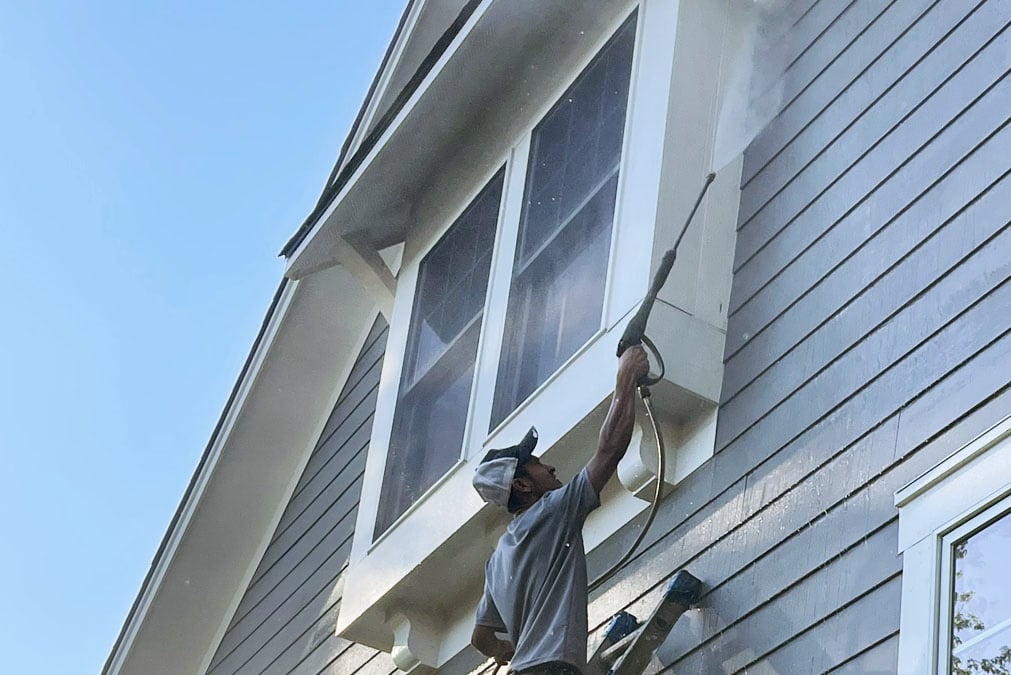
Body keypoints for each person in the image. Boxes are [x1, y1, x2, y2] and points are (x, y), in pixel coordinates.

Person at [470, 346, 650, 674]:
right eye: (537, 464)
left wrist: (503, 649)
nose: (550, 467)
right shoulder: (552, 513)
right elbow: (609, 451)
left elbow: (480, 637)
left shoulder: (497, 562)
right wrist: (625, 377)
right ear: (522, 486)